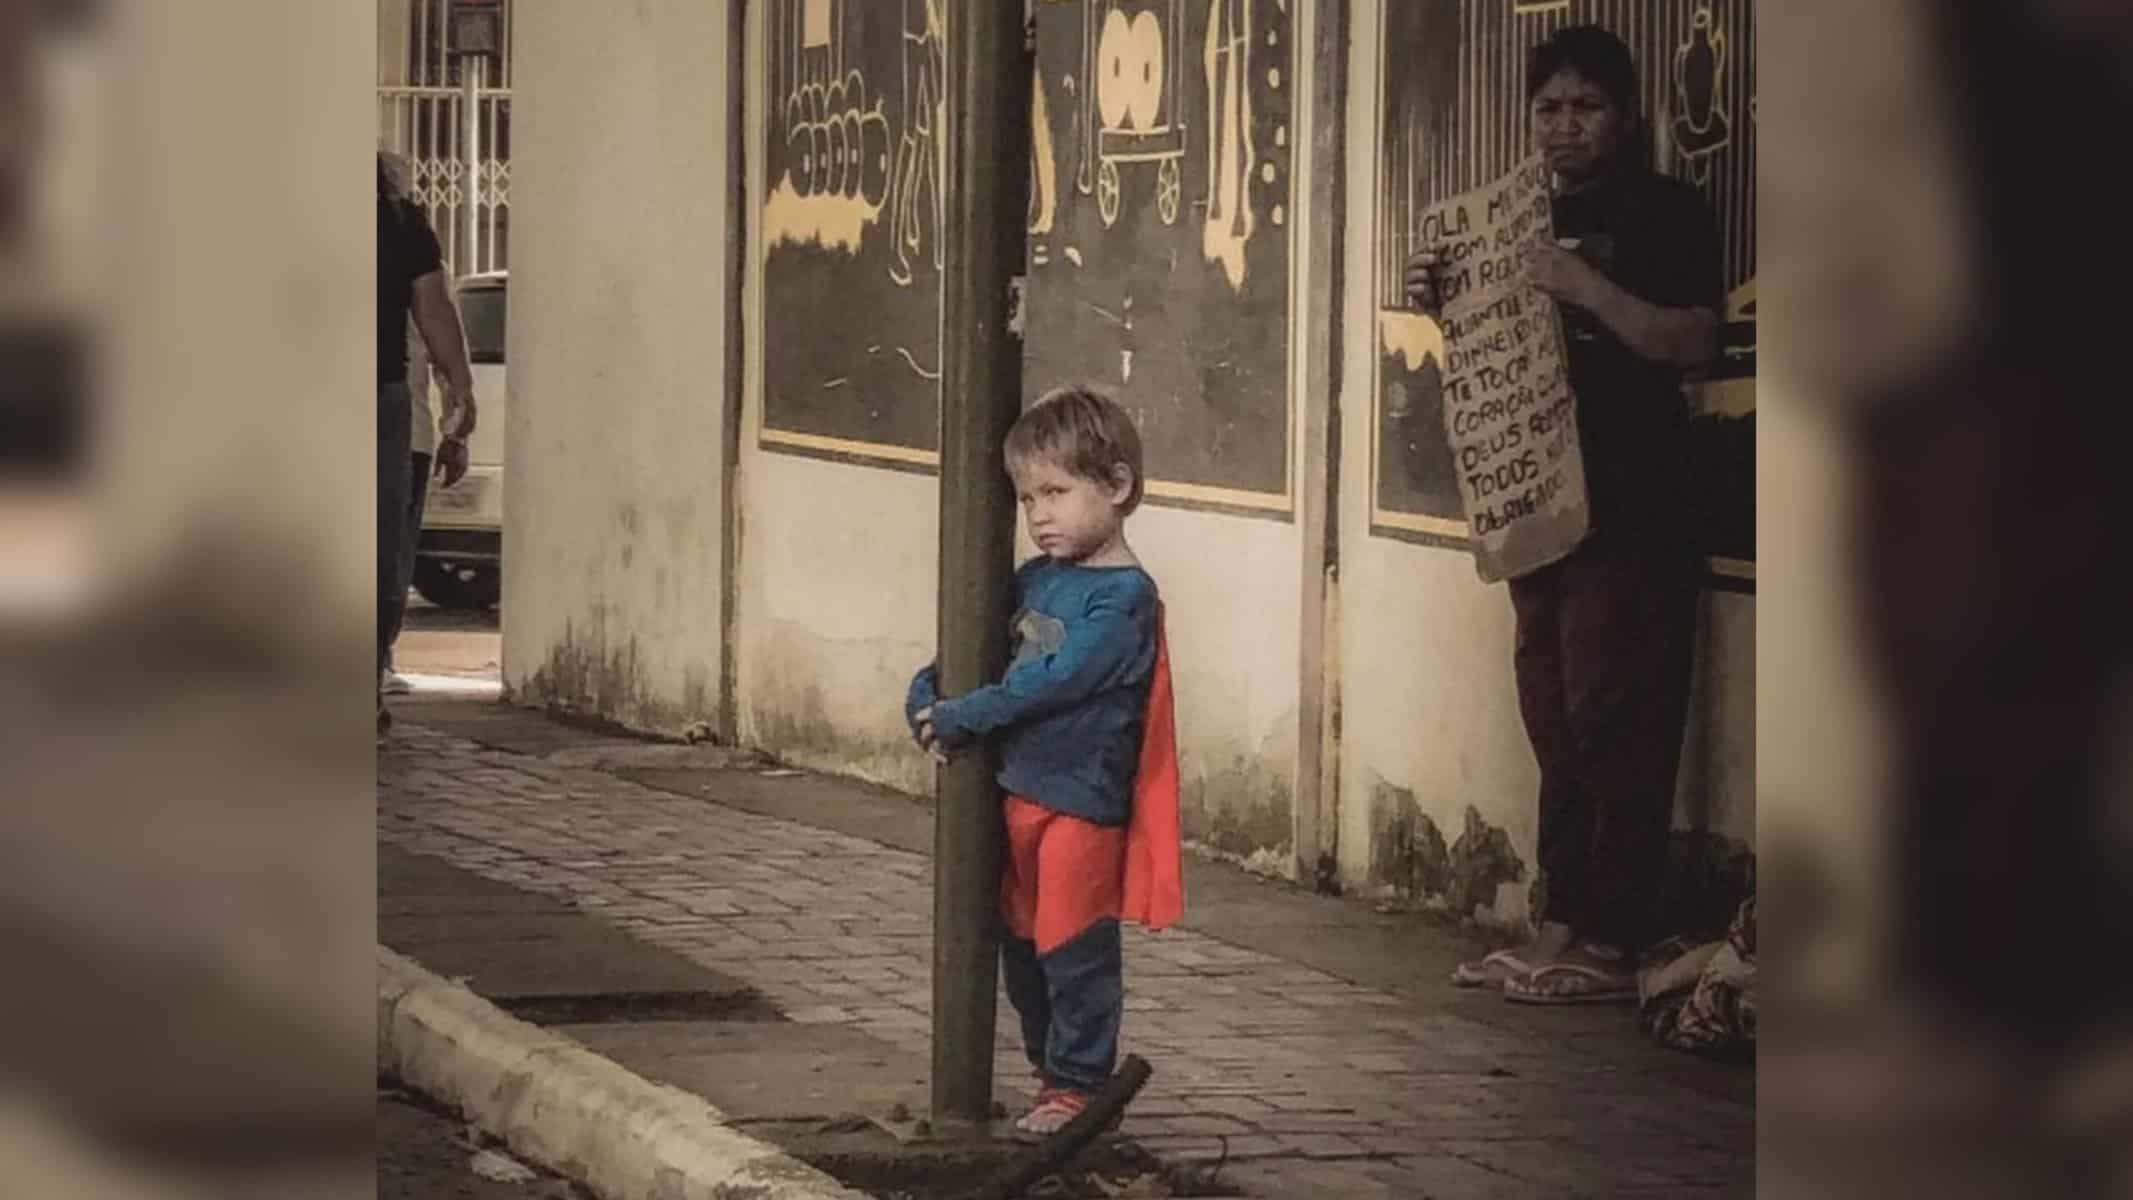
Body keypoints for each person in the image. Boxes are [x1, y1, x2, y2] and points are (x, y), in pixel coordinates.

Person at [1404, 26, 1722, 1004]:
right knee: (1552, 716)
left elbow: (1692, 342)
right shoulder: (1514, 215)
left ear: (1625, 116)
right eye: (1548, 107)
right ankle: (1560, 923)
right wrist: (1444, 298)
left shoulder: (1667, 211)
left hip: (1635, 502)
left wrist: (1587, 286)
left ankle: (1615, 938)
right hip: (1536, 499)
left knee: (1614, 712)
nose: (1565, 126)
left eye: (1587, 107)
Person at [904, 385, 1184, 1135]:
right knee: (1022, 947)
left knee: (1073, 945)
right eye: (1028, 498)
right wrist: (928, 692)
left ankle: (1079, 1086)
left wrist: (964, 715)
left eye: (1056, 493)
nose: (1039, 515)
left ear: (1116, 485)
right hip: (1016, 794)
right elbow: (976, 647)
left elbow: (1056, 679)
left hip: (1080, 804)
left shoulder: (1124, 598)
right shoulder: (1036, 579)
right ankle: (1048, 1075)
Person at [378, 151, 475, 735]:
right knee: (381, 549)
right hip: (381, 403)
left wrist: (458, 398)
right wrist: (461, 393)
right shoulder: (399, 220)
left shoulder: (402, 225)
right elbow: (435, 310)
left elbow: (435, 313)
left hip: (387, 410)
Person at [385, 323, 469, 696]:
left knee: (392, 557)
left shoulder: (420, 289)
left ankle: (378, 658)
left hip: (407, 437)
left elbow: (445, 358)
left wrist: (455, 433)